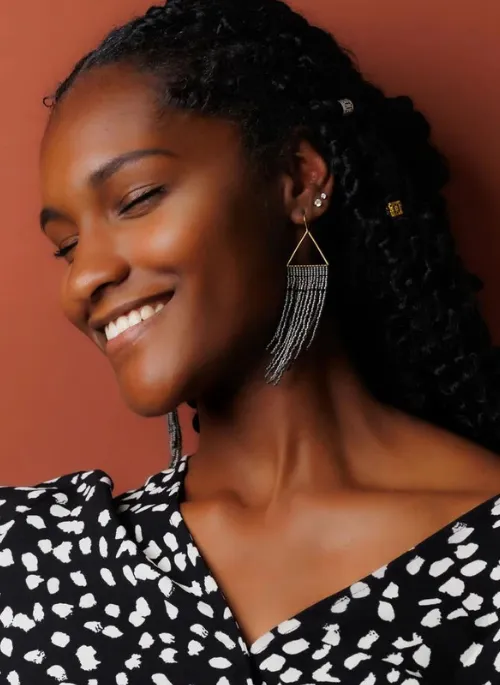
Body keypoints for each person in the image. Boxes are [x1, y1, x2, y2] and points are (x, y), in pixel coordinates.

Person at [1, 0, 500, 682]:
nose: (84, 275)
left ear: (298, 179)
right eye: (66, 245)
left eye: (137, 198)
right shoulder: (31, 560)